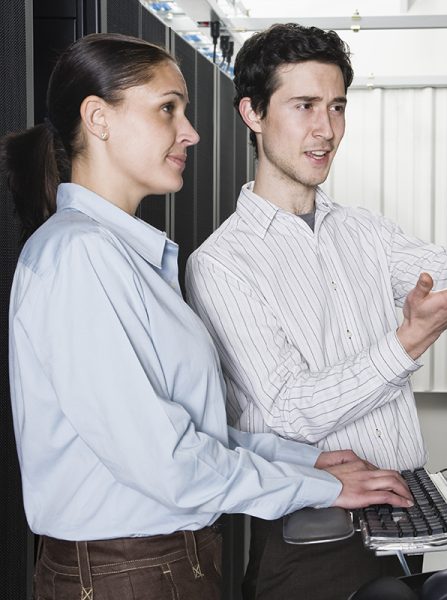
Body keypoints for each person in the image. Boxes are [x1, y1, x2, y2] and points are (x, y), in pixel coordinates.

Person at [2, 32, 414, 600]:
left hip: (164, 563)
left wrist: (307, 459)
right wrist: (313, 484)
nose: (190, 132)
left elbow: (196, 434)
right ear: (98, 118)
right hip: (126, 573)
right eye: (168, 109)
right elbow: (168, 465)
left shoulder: (122, 256)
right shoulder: (80, 257)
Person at [185, 23, 447, 600]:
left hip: (399, 519)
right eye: (305, 106)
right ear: (253, 113)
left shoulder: (362, 231)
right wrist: (407, 343)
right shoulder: (221, 263)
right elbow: (292, 411)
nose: (326, 130)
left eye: (337, 107)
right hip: (311, 542)